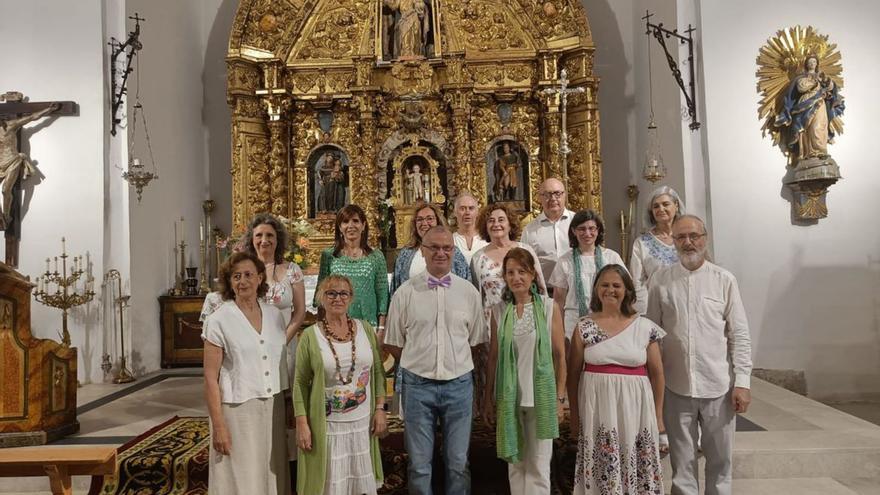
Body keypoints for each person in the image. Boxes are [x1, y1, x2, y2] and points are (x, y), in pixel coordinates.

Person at [647, 215, 752, 495]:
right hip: (676, 386)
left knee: (720, 462)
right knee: (682, 465)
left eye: (694, 236)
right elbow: (652, 334)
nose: (688, 242)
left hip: (717, 385)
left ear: (705, 238)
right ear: (673, 241)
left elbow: (739, 334)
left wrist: (742, 381)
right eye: (681, 237)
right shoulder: (660, 281)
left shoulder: (724, 280)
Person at [384, 226, 487, 495]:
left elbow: (475, 342)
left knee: (457, 463)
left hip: (459, 385)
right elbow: (394, 343)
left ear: (453, 251)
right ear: (423, 251)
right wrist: (421, 359)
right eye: (434, 248)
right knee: (419, 465)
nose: (441, 253)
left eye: (447, 248)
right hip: (418, 387)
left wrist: (454, 363)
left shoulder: (468, 293)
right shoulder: (404, 293)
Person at [567, 264, 666, 495]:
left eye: (616, 285)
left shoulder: (645, 327)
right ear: (596, 290)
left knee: (635, 461)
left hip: (636, 410)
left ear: (627, 290)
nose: (610, 290)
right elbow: (573, 376)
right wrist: (574, 415)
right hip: (597, 410)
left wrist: (658, 415)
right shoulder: (584, 326)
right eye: (604, 285)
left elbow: (658, 374)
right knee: (603, 463)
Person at [202, 251, 290, 495]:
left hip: (273, 407)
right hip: (236, 410)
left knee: (270, 473)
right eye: (236, 276)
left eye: (249, 275)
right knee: (240, 476)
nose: (243, 281)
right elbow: (210, 378)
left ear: (260, 278)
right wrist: (218, 425)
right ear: (229, 282)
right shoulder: (218, 320)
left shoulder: (274, 316)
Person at [293, 274, 386, 495]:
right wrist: (302, 424)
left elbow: (378, 373)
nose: (338, 298)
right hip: (328, 428)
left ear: (351, 298)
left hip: (362, 425)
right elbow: (299, 383)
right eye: (331, 293)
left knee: (359, 486)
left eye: (343, 293)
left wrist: (381, 409)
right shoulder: (309, 336)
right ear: (320, 298)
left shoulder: (365, 329)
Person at [484, 248, 566, 495]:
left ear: (532, 275)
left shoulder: (549, 308)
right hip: (510, 399)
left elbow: (560, 356)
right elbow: (494, 358)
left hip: (540, 398)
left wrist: (560, 399)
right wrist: (488, 397)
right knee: (515, 464)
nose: (516, 277)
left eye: (522, 271)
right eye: (510, 272)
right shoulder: (499, 311)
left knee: (539, 466)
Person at [549, 210, 626, 341]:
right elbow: (559, 300)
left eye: (592, 228)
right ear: (574, 231)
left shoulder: (611, 257)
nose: (587, 233)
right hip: (574, 322)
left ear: (598, 230)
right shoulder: (565, 261)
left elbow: (625, 290)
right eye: (582, 229)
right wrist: (559, 331)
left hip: (607, 319)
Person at [316, 205, 389, 337]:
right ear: (339, 227)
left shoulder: (376, 256)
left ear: (363, 225)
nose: (351, 226)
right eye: (345, 222)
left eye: (355, 221)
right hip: (335, 326)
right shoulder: (329, 255)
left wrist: (381, 329)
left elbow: (382, 294)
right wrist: (322, 327)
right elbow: (321, 294)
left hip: (368, 325)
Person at [471, 203, 545, 332]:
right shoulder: (478, 258)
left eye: (501, 220)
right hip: (493, 323)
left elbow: (540, 286)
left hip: (528, 319)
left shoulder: (525, 250)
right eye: (491, 221)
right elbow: (476, 297)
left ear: (510, 225)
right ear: (485, 227)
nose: (496, 224)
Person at [774, 54, 845, 162]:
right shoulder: (802, 78)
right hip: (805, 103)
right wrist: (815, 82)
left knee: (819, 126)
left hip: (820, 104)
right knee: (806, 128)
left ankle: (820, 151)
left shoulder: (822, 77)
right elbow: (800, 88)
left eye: (814, 61)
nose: (812, 63)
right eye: (810, 62)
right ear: (806, 64)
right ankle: (808, 153)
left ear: (817, 64)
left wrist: (827, 82)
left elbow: (831, 88)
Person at [0, 102, 60, 230]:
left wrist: (48, 109)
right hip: (0, 163)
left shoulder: (11, 125)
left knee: (6, 190)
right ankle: (1, 218)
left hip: (13, 160)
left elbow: (32, 118)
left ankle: (6, 216)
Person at [391, 201, 469, 294]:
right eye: (419, 219)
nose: (424, 223)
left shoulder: (453, 251)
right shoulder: (405, 254)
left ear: (438, 221)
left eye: (430, 218)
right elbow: (396, 289)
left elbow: (466, 284)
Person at [629, 186, 684, 314]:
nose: (661, 209)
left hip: (687, 302)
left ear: (676, 206)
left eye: (665, 204)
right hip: (656, 306)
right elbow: (637, 282)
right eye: (656, 206)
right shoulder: (641, 243)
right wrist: (644, 311)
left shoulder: (688, 237)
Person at [520, 178, 574, 283]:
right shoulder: (530, 230)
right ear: (540, 198)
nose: (553, 198)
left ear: (564, 195)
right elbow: (524, 263)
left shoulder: (577, 223)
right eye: (547, 195)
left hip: (575, 290)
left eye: (557, 193)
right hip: (545, 293)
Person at [451, 192, 488, 263]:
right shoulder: (450, 240)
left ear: (477, 212)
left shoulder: (487, 240)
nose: (467, 212)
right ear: (455, 212)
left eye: (471, 208)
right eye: (462, 208)